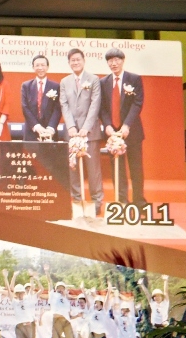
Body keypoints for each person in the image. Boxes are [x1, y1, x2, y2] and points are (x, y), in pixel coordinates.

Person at [60, 47, 103, 218]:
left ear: (83, 61)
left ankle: (96, 203)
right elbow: (64, 104)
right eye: (72, 60)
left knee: (93, 171)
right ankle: (77, 201)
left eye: (78, 59)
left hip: (90, 132)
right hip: (71, 134)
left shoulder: (93, 79)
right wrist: (70, 126)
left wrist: (86, 127)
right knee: (73, 169)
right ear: (69, 63)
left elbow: (95, 103)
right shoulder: (64, 82)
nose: (75, 62)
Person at [101, 48, 146, 207]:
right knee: (117, 170)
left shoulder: (134, 79)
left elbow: (137, 103)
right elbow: (102, 108)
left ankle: (139, 202)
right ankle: (122, 201)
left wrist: (126, 125)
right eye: (110, 61)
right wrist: (107, 125)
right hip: (112, 134)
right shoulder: (103, 82)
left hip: (132, 132)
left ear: (122, 60)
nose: (113, 63)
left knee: (136, 168)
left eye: (116, 60)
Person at [18, 53, 64, 142]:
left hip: (50, 132)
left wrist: (51, 128)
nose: (40, 68)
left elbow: (57, 109)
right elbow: (25, 107)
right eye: (37, 65)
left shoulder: (56, 86)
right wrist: (37, 126)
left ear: (47, 67)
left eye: (43, 65)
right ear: (33, 67)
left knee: (49, 156)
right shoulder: (26, 86)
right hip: (32, 131)